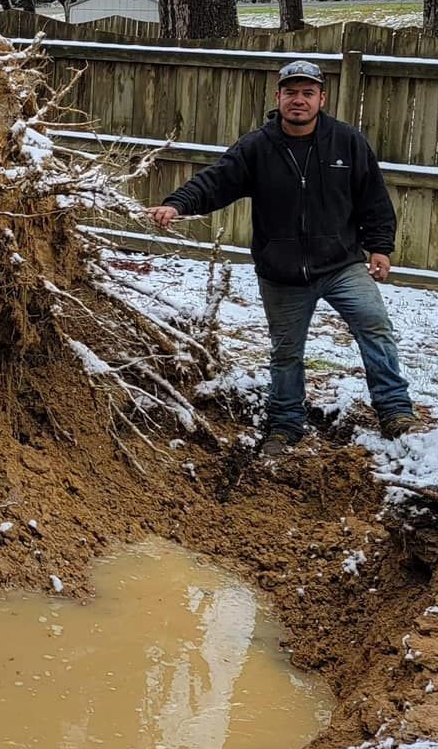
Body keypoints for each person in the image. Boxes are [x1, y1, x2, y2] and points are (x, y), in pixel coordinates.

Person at [149, 58, 419, 459]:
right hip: (283, 275)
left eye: (308, 93)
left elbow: (373, 200)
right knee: (286, 352)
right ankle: (286, 423)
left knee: (375, 327)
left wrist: (380, 247)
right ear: (278, 97)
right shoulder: (257, 147)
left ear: (321, 99)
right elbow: (216, 181)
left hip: (342, 264)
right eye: (291, 92)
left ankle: (395, 411)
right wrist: (177, 204)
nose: (299, 100)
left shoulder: (347, 142)